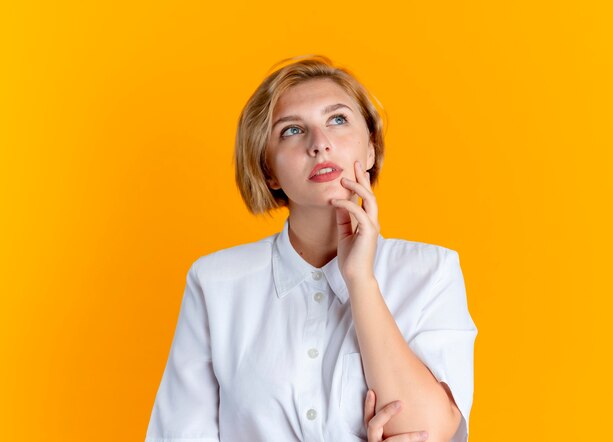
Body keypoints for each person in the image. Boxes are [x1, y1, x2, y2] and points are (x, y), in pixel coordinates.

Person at [145, 55, 478, 442]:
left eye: (337, 120)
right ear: (268, 170)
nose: (319, 144)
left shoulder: (430, 271)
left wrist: (360, 280)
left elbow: (430, 434)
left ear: (370, 150)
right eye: (291, 130)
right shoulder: (215, 283)